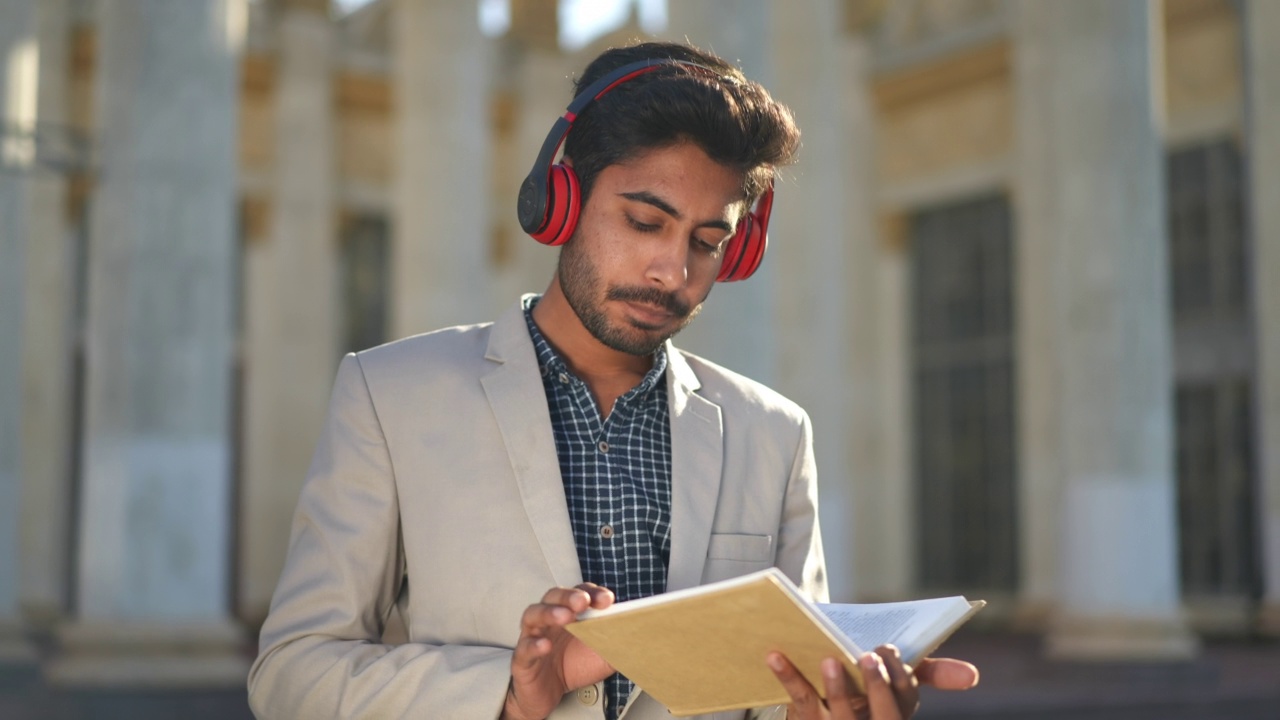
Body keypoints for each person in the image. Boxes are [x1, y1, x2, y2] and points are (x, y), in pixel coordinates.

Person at [246, 40, 978, 720]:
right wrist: (510, 692)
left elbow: (783, 690)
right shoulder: (391, 394)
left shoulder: (775, 432)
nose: (674, 272)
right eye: (642, 222)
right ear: (559, 200)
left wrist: (834, 708)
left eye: (707, 241)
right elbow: (291, 675)